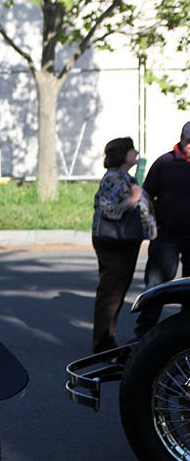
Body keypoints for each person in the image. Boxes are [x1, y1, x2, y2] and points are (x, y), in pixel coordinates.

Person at [91, 137, 156, 353]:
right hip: (114, 241)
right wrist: (132, 200)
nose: (136, 152)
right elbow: (106, 208)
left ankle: (107, 340)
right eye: (131, 149)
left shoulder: (125, 177)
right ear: (122, 154)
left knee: (117, 291)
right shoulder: (112, 178)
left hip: (126, 240)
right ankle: (102, 344)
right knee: (110, 292)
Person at [133, 121, 190, 340]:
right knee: (157, 283)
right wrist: (152, 226)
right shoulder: (165, 162)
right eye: (187, 141)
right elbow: (146, 196)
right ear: (181, 138)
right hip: (167, 235)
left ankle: (185, 331)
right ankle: (143, 333)